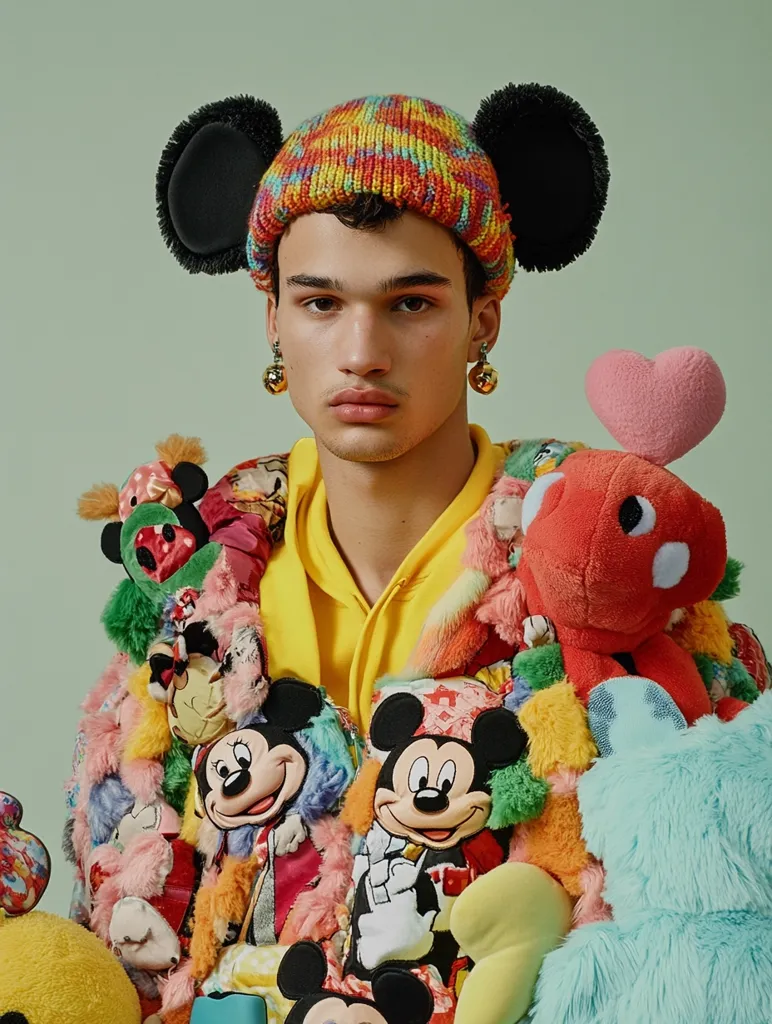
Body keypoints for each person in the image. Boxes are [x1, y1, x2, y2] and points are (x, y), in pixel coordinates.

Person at [156, 83, 610, 726]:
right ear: (273, 320)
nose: (362, 353)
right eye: (321, 304)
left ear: (483, 321)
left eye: (411, 303)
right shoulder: (201, 572)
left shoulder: (596, 556)